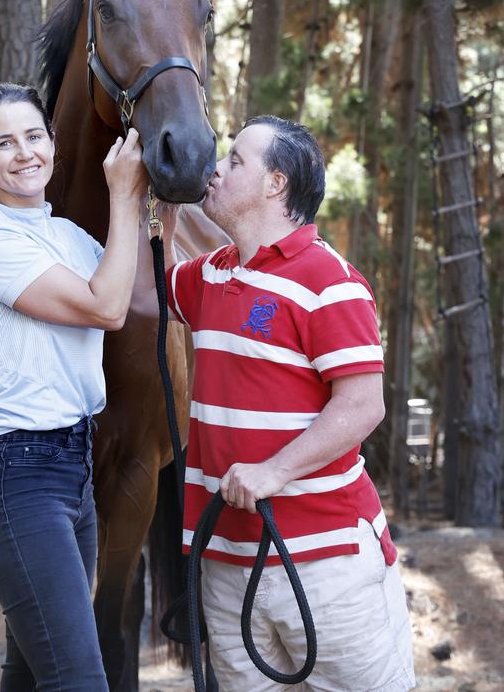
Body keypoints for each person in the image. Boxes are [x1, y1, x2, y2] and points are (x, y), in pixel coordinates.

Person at [132, 115, 415, 692]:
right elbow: (151, 290)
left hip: (325, 560)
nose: (217, 168)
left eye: (235, 160)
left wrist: (273, 471)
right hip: (226, 562)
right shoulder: (213, 274)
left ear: (275, 184)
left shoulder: (329, 280)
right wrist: (169, 207)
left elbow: (363, 406)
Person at [0, 83, 147, 692]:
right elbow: (108, 307)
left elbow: (140, 291)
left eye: (34, 136)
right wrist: (122, 193)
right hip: (18, 482)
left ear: (53, 145)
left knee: (32, 675)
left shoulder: (67, 238)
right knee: (79, 680)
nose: (24, 153)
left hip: (73, 478)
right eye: (3, 143)